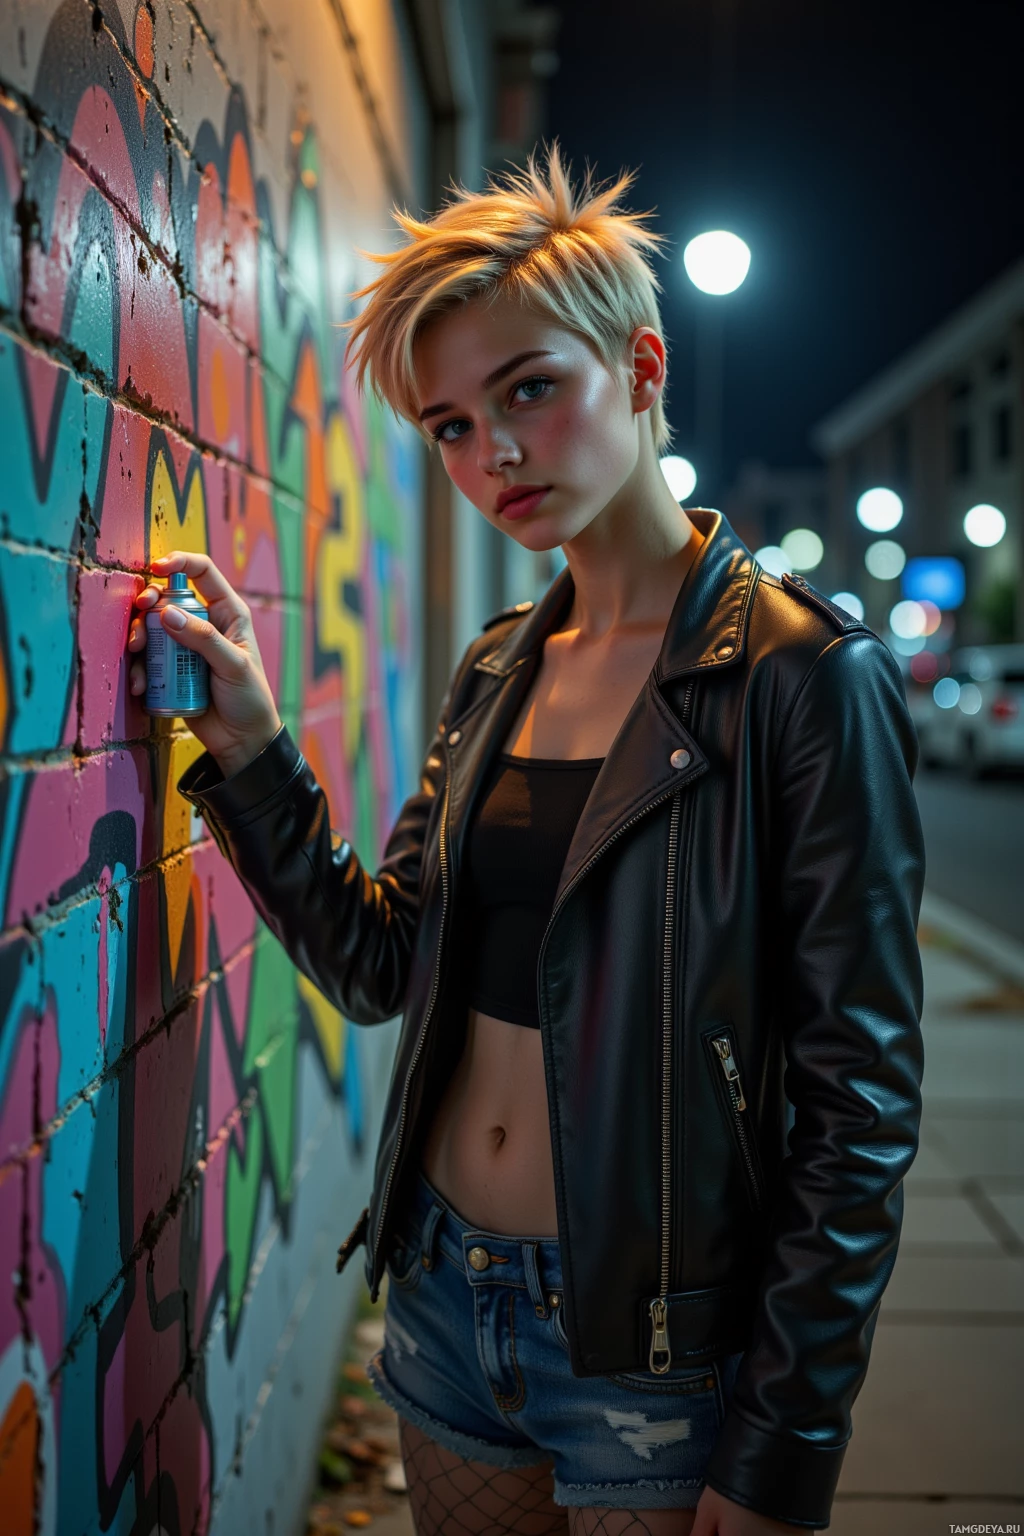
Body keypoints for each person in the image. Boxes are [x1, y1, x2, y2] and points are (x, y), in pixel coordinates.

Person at [127, 147, 925, 1535]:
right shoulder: (500, 666)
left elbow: (860, 1102)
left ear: (643, 367)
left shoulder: (801, 677)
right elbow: (383, 964)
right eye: (449, 425)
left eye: (529, 391)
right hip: (446, 1299)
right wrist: (251, 752)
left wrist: (787, 1436)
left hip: (654, 1344)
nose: (490, 452)